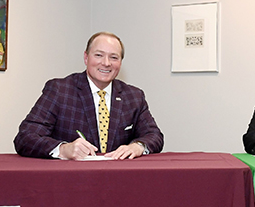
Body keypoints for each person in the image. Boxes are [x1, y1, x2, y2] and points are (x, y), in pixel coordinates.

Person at [14, 32, 164, 160]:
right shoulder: (60, 91)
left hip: (119, 180)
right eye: (99, 55)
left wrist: (138, 147)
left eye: (114, 57)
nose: (106, 63)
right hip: (70, 180)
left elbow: (154, 136)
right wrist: (63, 149)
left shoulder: (134, 96)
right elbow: (25, 137)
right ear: (86, 58)